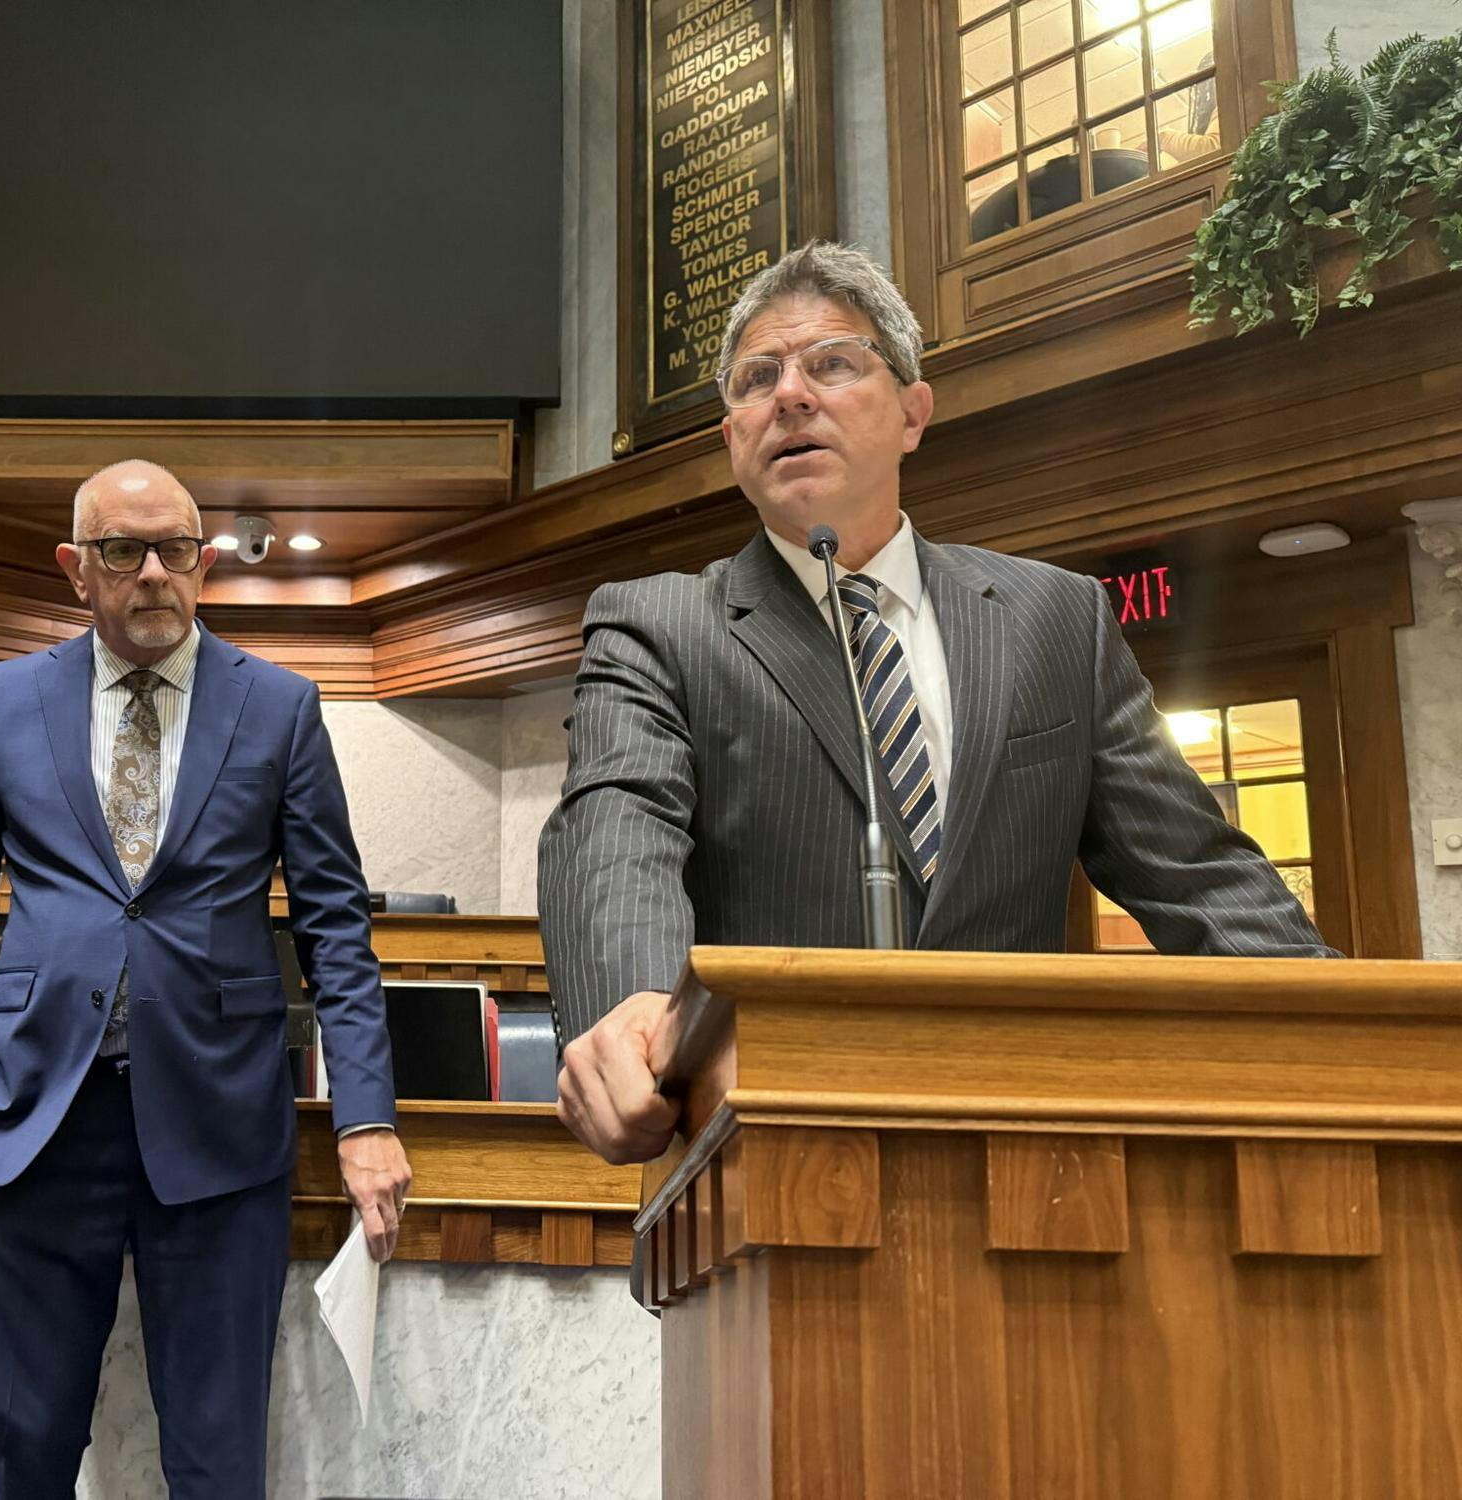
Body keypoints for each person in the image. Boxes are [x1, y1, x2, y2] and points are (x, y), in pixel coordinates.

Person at [539, 241, 1331, 1166]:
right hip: (770, 1165)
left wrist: (1354, 1035)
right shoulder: (657, 625)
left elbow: (1196, 873)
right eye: (757, 378)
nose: (790, 395)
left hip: (1030, 1160)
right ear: (732, 439)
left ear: (914, 412)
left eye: (833, 362)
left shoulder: (1056, 618)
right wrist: (635, 1007)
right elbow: (614, 829)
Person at [0, 459, 411, 1499]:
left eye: (174, 549)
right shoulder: (0, 702)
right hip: (24, 1130)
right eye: (121, 550)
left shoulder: (279, 708)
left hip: (218, 1132)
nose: (151, 573)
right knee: (12, 1460)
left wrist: (365, 1117)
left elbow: (335, 929)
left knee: (218, 1467)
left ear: (203, 561)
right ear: (74, 567)